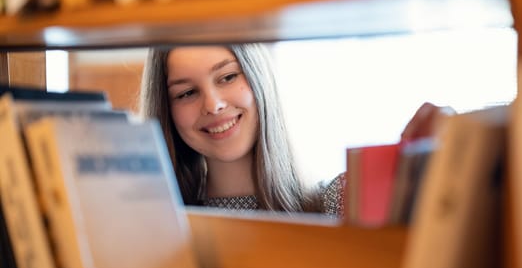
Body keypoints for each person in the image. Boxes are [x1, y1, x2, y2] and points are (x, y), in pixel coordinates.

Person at [139, 43, 450, 216]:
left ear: (259, 79)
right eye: (186, 93)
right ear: (167, 112)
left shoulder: (339, 201)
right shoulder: (157, 224)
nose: (214, 104)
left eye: (228, 77)